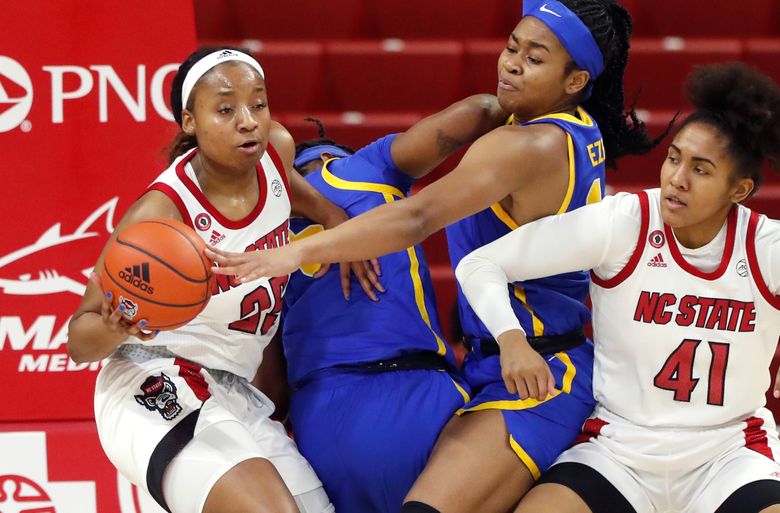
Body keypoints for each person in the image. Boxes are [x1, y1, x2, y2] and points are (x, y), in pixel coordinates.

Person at [207, 1, 664, 511]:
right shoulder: (560, 128)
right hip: (490, 364)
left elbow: (417, 220)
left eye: (534, 59)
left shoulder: (527, 145)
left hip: (540, 368)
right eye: (512, 47)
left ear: (575, 79)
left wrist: (298, 251)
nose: (511, 64)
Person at [456, 61, 780, 513]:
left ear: (739, 190)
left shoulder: (765, 248)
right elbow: (481, 264)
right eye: (674, 157)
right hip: (619, 449)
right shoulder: (624, 223)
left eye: (701, 170)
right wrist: (512, 339)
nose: (677, 179)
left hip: (726, 455)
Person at [64, 46, 373, 513]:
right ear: (190, 122)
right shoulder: (161, 214)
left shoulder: (276, 151)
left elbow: (288, 186)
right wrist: (115, 324)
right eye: (226, 109)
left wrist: (334, 220)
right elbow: (78, 341)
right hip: (153, 375)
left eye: (259, 103)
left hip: (235, 391)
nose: (248, 120)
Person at [281, 97, 506, 513]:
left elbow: (270, 385)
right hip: (421, 396)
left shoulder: (260, 229)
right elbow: (476, 113)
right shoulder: (367, 169)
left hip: (324, 419)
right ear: (333, 156)